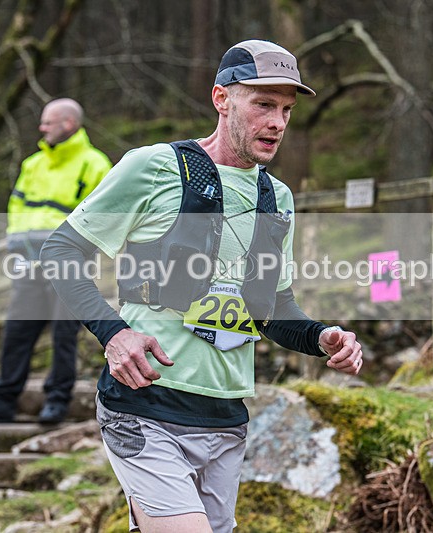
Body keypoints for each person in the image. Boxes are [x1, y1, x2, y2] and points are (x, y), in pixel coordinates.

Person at [40, 41, 363, 532]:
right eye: (263, 105)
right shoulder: (154, 167)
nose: (277, 122)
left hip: (226, 418)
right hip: (145, 407)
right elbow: (60, 252)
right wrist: (114, 333)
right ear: (221, 99)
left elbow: (273, 308)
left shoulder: (277, 197)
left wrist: (323, 339)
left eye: (286, 110)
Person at [0, 98, 113, 424]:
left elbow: (100, 216)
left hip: (70, 266)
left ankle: (57, 403)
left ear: (68, 124)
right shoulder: (33, 164)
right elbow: (17, 209)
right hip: (30, 264)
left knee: (63, 335)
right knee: (17, 333)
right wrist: (17, 245)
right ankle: (0, 404)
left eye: (47, 122)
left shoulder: (94, 163)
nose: (41, 128)